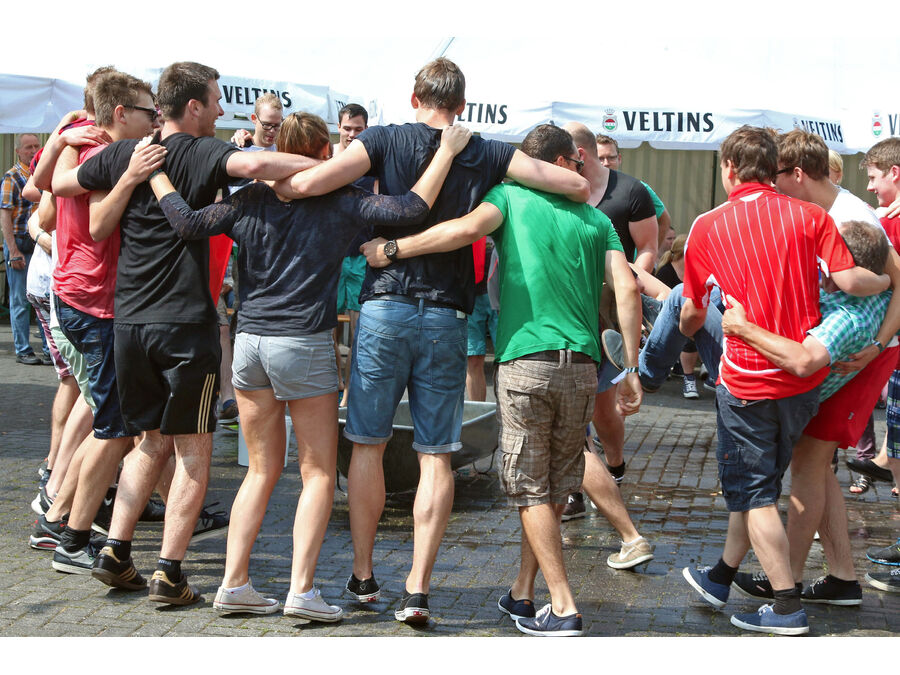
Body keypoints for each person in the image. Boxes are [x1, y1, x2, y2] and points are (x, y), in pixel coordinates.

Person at [274, 57, 589, 625]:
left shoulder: (382, 139)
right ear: (462, 105)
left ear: (414, 96)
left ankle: (364, 575)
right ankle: (417, 589)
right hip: (447, 313)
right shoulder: (485, 150)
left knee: (367, 443)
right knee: (436, 453)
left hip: (385, 304)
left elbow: (309, 183)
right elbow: (573, 183)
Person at [147, 113, 470, 621]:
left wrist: (154, 174)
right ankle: (301, 591)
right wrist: (446, 152)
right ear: (324, 154)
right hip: (302, 342)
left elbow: (187, 223)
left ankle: (234, 584)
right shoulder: (342, 200)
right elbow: (411, 207)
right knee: (316, 472)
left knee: (260, 471)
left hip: (250, 343)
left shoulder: (249, 198)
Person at [52, 61, 325, 605]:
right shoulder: (203, 152)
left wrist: (65, 138)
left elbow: (59, 185)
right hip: (183, 325)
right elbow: (259, 163)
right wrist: (333, 163)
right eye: (216, 101)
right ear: (194, 106)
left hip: (129, 322)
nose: (222, 110)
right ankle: (170, 573)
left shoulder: (129, 151)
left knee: (149, 442)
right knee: (194, 453)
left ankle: (115, 550)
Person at [361, 123, 642, 636]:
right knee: (554, 487)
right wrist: (630, 366)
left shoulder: (509, 198)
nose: (582, 170)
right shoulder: (596, 219)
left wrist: (394, 250)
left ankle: (563, 606)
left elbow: (459, 232)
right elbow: (626, 287)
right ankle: (522, 592)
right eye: (577, 163)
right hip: (582, 368)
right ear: (562, 162)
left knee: (531, 489)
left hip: (525, 363)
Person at [679, 125, 887, 636]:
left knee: (754, 497)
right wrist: (886, 282)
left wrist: (690, 330)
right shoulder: (813, 216)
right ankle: (721, 578)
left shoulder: (707, 225)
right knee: (761, 485)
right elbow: (848, 279)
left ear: (729, 167)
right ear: (772, 167)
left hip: (749, 381)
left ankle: (786, 605)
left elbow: (691, 312)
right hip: (802, 388)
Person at [720, 220, 895, 605]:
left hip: (804, 384)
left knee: (795, 472)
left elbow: (803, 361)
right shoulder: (863, 289)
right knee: (813, 468)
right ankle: (839, 578)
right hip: (830, 375)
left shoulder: (844, 310)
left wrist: (744, 328)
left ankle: (787, 584)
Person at [559, 122, 657, 521]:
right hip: (571, 315)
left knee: (603, 410)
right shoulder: (561, 191)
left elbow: (648, 246)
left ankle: (613, 466)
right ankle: (575, 489)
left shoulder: (630, 191)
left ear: (578, 155)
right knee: (572, 409)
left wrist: (628, 283)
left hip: (613, 317)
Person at [2, 132, 44, 364]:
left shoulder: (42, 174)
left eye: (36, 146)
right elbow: (5, 216)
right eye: (28, 147)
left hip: (39, 241)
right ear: (18, 151)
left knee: (41, 296)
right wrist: (13, 251)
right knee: (19, 300)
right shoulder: (12, 177)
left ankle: (48, 349)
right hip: (19, 242)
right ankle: (23, 350)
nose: (33, 150)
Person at [596, 133, 672, 251]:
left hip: (630, 261)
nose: (606, 163)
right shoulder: (584, 188)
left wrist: (649, 253)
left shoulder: (636, 188)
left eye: (611, 157)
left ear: (619, 159)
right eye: (600, 158)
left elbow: (664, 220)